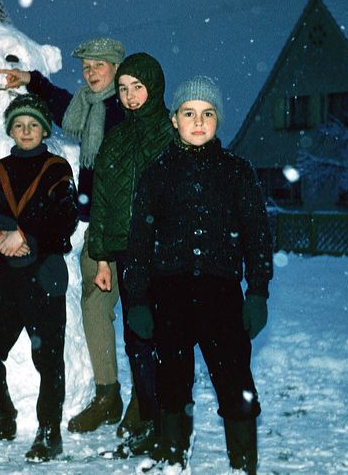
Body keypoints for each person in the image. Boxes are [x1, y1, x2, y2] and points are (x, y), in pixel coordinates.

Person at [123, 76, 273, 474]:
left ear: (218, 120)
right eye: (189, 113)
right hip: (168, 294)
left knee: (235, 381)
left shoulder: (237, 172)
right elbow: (138, 243)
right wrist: (137, 299)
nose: (199, 121)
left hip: (221, 294)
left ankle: (243, 466)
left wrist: (257, 291)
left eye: (208, 114)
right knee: (172, 384)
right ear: (174, 119)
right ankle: (174, 461)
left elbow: (258, 235)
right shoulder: (156, 174)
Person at [0, 38, 131, 435]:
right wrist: (29, 80)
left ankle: (148, 402)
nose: (91, 72)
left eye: (99, 66)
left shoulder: (126, 110)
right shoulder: (90, 107)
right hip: (96, 226)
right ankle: (109, 393)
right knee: (94, 306)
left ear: (117, 68)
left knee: (144, 316)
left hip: (130, 225)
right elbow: (60, 103)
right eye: (86, 66)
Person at [0, 94, 79, 462]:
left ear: (44, 129)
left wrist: (24, 235)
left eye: (33, 125)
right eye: (19, 125)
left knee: (48, 357)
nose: (26, 131)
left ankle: (48, 431)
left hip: (45, 275)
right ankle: (1, 416)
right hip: (7, 275)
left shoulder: (58, 169)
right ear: (11, 130)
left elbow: (65, 218)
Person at [87, 52, 174, 457]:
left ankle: (165, 422)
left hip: (165, 255)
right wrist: (102, 258)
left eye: (137, 87)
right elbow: (102, 201)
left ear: (153, 87)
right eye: (123, 89)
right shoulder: (116, 138)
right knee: (137, 339)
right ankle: (147, 418)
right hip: (127, 256)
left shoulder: (173, 132)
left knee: (167, 338)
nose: (131, 96)